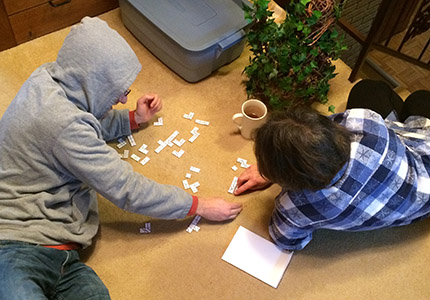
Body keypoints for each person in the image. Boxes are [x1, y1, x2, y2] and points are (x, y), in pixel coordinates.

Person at [0, 17, 242, 299]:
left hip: (67, 257)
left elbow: (79, 124)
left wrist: (132, 119)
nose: (123, 99)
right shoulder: (64, 127)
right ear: (93, 81)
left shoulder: (50, 79)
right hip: (14, 245)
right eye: (118, 91)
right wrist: (198, 205)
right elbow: (128, 189)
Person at [234, 79, 430, 251]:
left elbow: (286, 240)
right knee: (409, 96)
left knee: (406, 98)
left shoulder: (296, 208)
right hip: (421, 168)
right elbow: (320, 133)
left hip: (416, 184)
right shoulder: (365, 122)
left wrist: (272, 172)